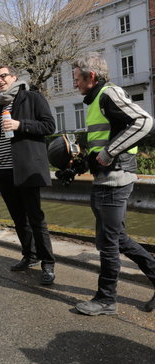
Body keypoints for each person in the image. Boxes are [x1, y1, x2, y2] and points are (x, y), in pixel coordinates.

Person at [72, 53, 155, 315]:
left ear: (91, 76)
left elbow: (144, 122)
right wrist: (80, 165)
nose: (75, 84)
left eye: (76, 79)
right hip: (106, 179)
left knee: (108, 243)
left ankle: (106, 300)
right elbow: (100, 144)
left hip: (115, 180)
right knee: (117, 238)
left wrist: (109, 153)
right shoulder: (97, 99)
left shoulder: (109, 93)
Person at [0, 65, 56, 285]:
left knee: (35, 218)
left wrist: (20, 124)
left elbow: (49, 126)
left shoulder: (32, 97)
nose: (0, 80)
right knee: (18, 218)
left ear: (14, 77)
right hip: (4, 171)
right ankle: (30, 255)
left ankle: (48, 264)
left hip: (26, 169)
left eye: (3, 76)